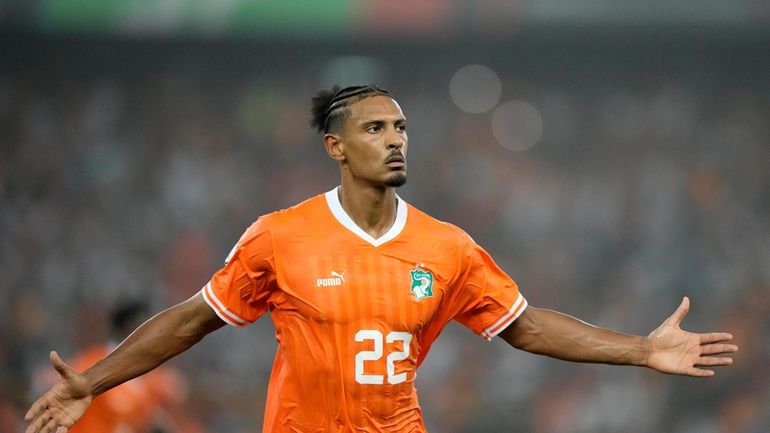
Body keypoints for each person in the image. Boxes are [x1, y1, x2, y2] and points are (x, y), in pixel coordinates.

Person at [24, 84, 739, 433]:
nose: (395, 139)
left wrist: (641, 349)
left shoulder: (448, 246)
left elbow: (526, 325)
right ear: (335, 146)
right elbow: (189, 320)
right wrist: (93, 380)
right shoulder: (280, 236)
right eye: (374, 128)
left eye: (400, 126)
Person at [64, 301, 205, 433]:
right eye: (152, 327)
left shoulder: (151, 377)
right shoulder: (89, 366)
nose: (159, 334)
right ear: (130, 329)